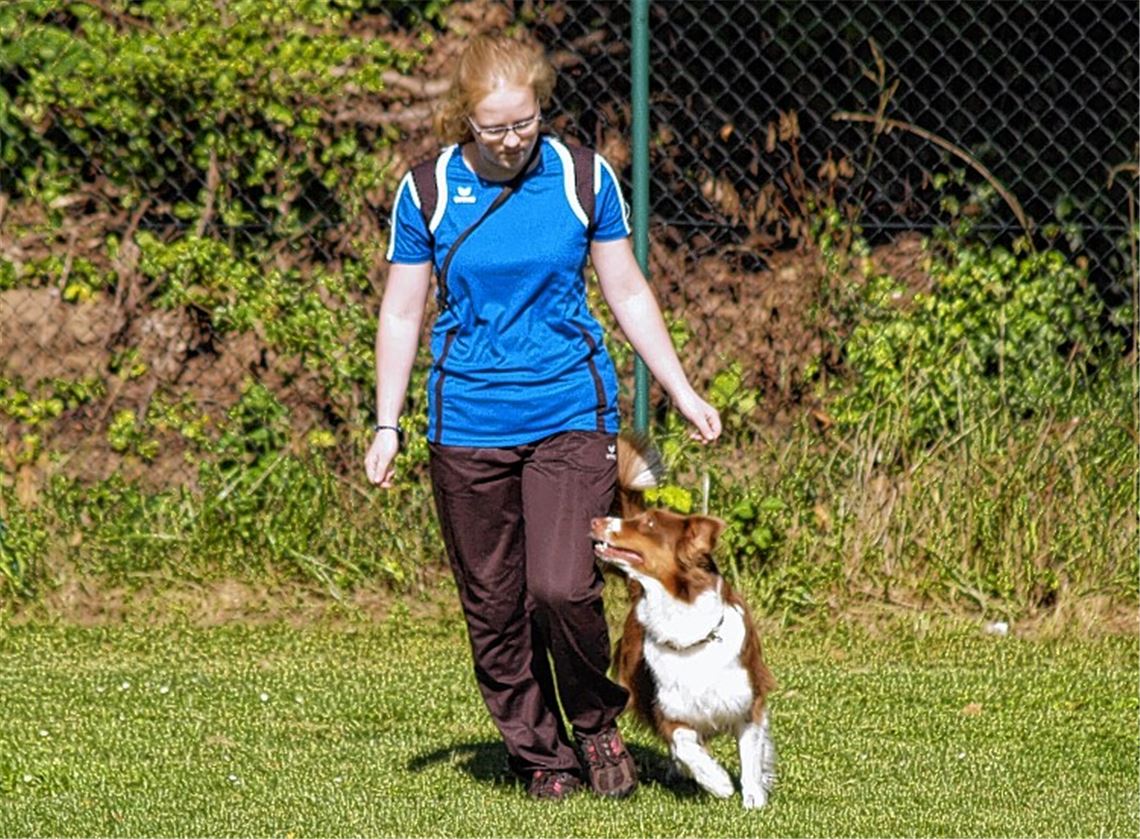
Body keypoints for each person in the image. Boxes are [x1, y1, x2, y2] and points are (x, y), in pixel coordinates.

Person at [364, 34, 721, 802]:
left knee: (561, 586)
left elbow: (626, 290)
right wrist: (386, 423)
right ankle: (540, 753)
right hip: (465, 419)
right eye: (493, 127)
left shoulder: (581, 177)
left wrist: (682, 389)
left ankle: (596, 726)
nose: (510, 139)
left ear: (540, 109)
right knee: (493, 603)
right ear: (466, 119)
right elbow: (401, 310)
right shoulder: (426, 190)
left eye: (523, 121)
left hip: (568, 405)